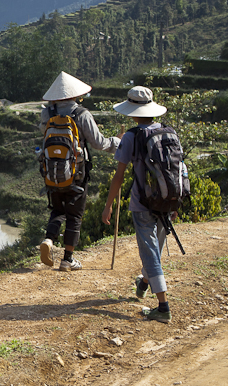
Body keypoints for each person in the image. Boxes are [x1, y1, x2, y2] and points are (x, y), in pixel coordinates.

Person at [101, 86, 175, 323]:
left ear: (132, 111)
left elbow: (119, 176)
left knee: (149, 249)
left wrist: (108, 205)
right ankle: (144, 282)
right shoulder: (168, 132)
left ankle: (163, 307)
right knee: (156, 248)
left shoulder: (132, 136)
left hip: (142, 203)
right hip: (169, 198)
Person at [38, 72, 121, 271]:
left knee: (57, 209)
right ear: (76, 95)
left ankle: (49, 240)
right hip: (77, 174)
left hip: (52, 172)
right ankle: (68, 259)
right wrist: (118, 142)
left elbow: (44, 134)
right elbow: (98, 143)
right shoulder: (82, 114)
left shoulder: (46, 113)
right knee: (75, 214)